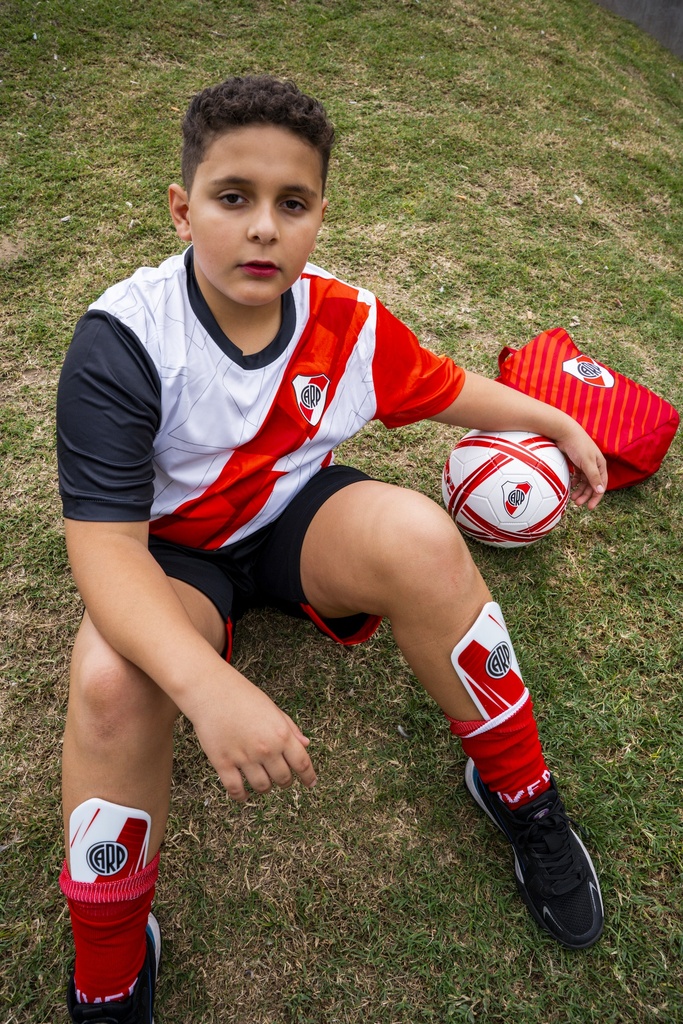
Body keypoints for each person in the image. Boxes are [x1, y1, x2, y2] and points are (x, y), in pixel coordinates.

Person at [56, 74, 606, 1023]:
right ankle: (109, 955)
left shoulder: (345, 320)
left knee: (423, 539)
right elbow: (104, 557)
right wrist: (208, 687)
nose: (263, 227)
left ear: (318, 218)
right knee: (112, 679)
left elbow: (442, 388)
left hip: (291, 524)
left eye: (292, 203)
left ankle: (517, 787)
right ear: (184, 210)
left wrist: (551, 414)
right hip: (169, 558)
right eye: (234, 198)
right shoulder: (123, 341)